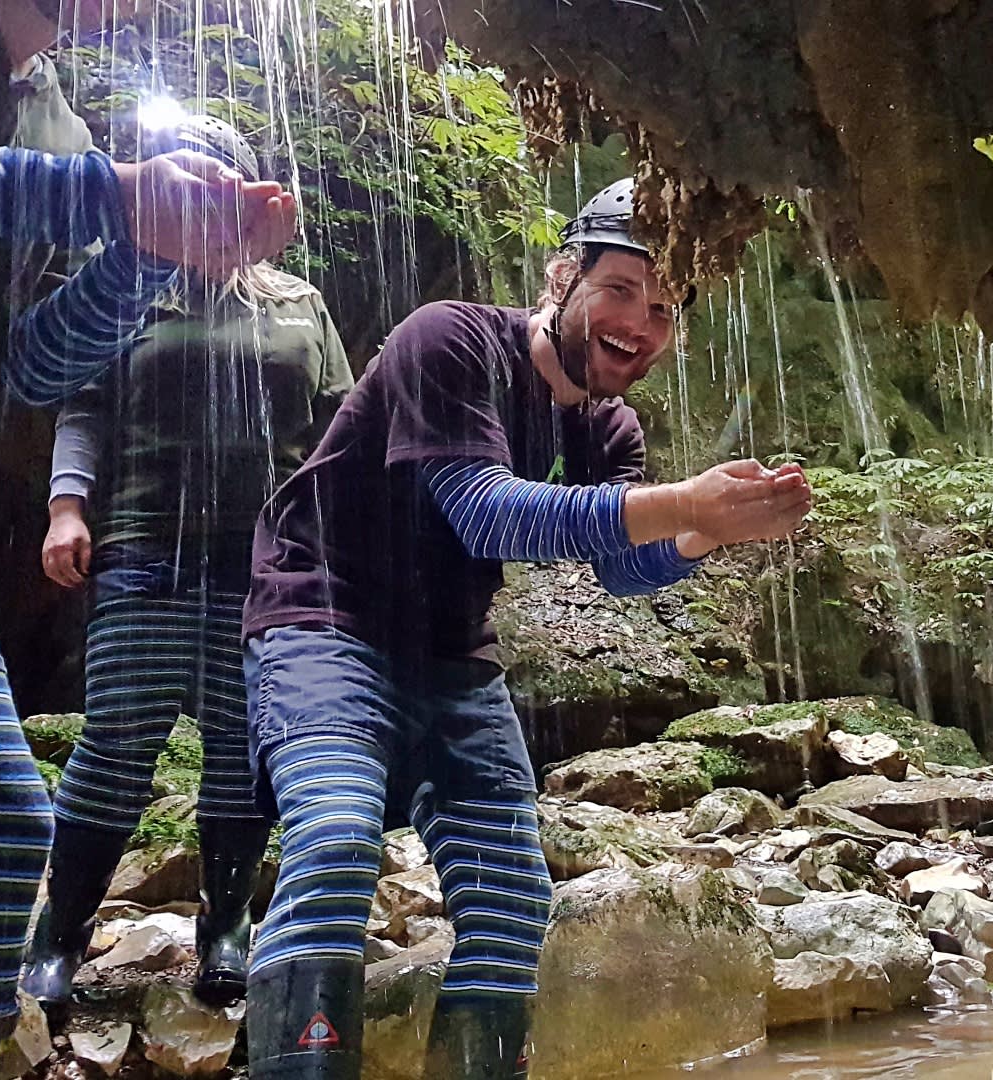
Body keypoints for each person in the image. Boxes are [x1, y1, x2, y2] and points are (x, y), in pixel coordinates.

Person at [240, 177, 813, 1080]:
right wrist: (681, 503)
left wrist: (711, 531)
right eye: (620, 289)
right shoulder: (450, 338)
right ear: (562, 278)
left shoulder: (609, 428)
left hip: (453, 653)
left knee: (511, 895)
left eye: (663, 309)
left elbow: (623, 571)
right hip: (324, 616)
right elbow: (488, 515)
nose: (639, 323)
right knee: (338, 838)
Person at [0, 0, 297, 1070]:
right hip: (139, 554)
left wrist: (142, 250)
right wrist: (118, 197)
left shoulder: (54, 128)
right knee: (103, 749)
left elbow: (23, 369)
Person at [25, 115, 355, 1014]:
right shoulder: (130, 289)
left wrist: (347, 537)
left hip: (268, 561)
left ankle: (226, 927)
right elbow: (84, 405)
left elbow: (338, 428)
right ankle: (60, 935)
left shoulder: (300, 303)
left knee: (242, 750)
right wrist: (66, 507)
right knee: (117, 742)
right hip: (143, 549)